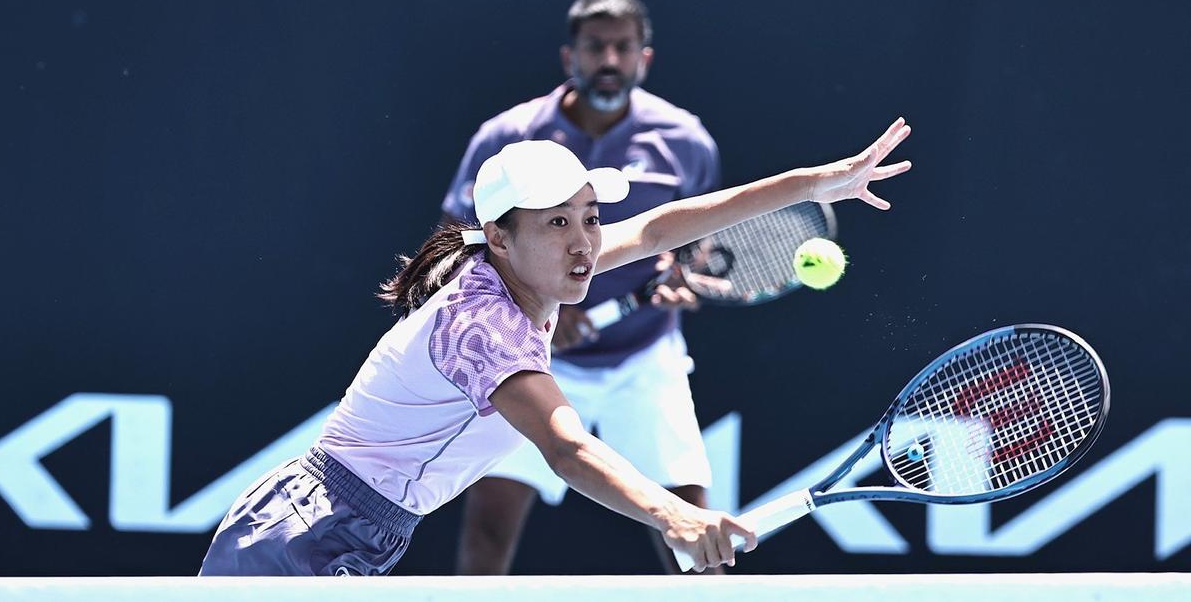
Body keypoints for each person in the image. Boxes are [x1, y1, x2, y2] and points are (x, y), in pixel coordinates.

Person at [198, 118, 913, 577]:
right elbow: (566, 448)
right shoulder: (484, 326)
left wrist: (817, 183)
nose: (584, 241)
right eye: (558, 223)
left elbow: (663, 227)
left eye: (592, 218)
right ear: (500, 237)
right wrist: (676, 515)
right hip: (304, 539)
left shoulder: (532, 267)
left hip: (347, 529)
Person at [442, 0, 726, 574]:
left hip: (645, 357)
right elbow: (458, 248)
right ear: (570, 56)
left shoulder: (686, 142)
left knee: (692, 536)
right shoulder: (506, 137)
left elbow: (694, 246)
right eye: (596, 47)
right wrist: (535, 310)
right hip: (531, 357)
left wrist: (682, 278)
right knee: (489, 527)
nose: (610, 61)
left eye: (624, 48)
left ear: (644, 59)